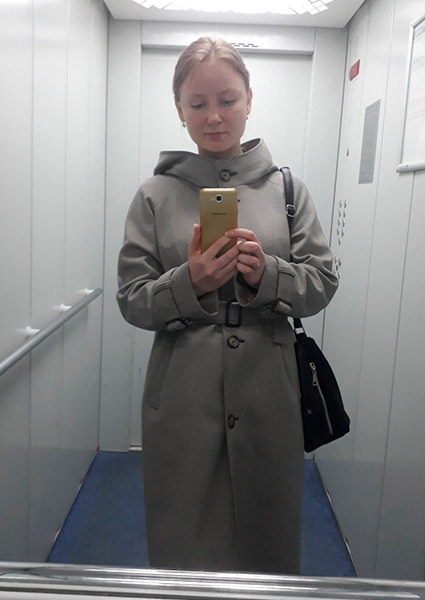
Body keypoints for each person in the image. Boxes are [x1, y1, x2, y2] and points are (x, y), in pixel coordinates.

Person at [117, 37, 338, 575]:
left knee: (268, 535)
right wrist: (188, 283)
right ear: (179, 109)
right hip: (182, 390)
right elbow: (131, 298)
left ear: (249, 100)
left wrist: (267, 274)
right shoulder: (154, 195)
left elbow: (322, 282)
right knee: (183, 534)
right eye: (197, 103)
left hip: (269, 389)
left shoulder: (288, 190)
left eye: (228, 99)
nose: (214, 116)